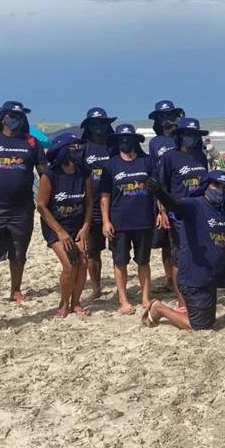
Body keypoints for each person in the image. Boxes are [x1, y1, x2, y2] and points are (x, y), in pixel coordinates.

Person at [141, 170, 225, 330]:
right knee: (200, 325)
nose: (220, 190)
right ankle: (159, 308)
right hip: (196, 277)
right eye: (216, 185)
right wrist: (159, 192)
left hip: (218, 269)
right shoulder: (194, 205)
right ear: (206, 185)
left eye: (224, 187)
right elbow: (175, 205)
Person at [0, 101, 47, 307]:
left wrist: (45, 199)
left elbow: (44, 173)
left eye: (19, 116)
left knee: (19, 252)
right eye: (11, 116)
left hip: (23, 208)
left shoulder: (31, 143)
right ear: (2, 118)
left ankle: (15, 290)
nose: (15, 119)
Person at [98, 124, 156, 315]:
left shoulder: (147, 161)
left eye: (128, 139)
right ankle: (123, 300)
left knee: (143, 261)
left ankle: (145, 297)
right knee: (120, 262)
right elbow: (104, 195)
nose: (125, 142)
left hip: (144, 220)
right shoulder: (110, 165)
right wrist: (106, 221)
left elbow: (157, 190)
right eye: (121, 139)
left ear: (135, 141)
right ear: (116, 142)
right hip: (119, 222)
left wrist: (161, 212)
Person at [36, 133, 92, 318]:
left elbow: (89, 202)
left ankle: (76, 302)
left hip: (78, 225)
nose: (78, 150)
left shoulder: (84, 173)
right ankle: (64, 303)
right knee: (69, 264)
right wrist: (60, 232)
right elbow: (41, 206)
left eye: (79, 147)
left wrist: (86, 227)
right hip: (55, 226)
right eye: (74, 147)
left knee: (82, 262)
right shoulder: (50, 175)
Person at [157, 117, 210, 311]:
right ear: (180, 135)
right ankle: (181, 300)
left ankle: (197, 290)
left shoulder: (201, 156)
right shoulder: (170, 157)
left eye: (194, 134)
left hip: (200, 212)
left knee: (199, 252)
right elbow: (162, 187)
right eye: (187, 134)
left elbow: (206, 185)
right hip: (177, 214)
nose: (191, 138)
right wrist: (162, 211)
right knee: (180, 256)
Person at [147, 99, 185, 300]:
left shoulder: (183, 137)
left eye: (170, 115)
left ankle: (187, 278)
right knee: (166, 243)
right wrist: (160, 208)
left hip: (183, 193)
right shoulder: (155, 143)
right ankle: (170, 280)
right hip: (163, 194)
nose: (166, 119)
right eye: (162, 116)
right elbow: (155, 174)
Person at [80, 107, 117, 299]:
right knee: (93, 251)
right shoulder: (83, 148)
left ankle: (120, 284)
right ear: (88, 126)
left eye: (102, 123)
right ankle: (96, 287)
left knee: (118, 249)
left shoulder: (115, 146)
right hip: (91, 206)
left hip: (116, 204)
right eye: (94, 123)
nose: (98, 126)